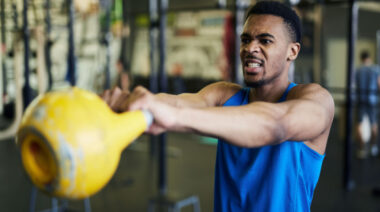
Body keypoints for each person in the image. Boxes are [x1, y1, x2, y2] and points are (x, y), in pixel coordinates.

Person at [102, 1, 334, 211]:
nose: (250, 48)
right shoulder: (224, 94)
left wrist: (174, 116)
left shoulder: (314, 100)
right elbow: (179, 102)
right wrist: (125, 101)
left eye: (265, 40)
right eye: (246, 39)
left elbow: (277, 125)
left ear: (292, 51)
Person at [355, 50, 380, 159]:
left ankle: (362, 149)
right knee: (373, 123)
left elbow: (355, 85)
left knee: (359, 124)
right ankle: (373, 147)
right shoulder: (376, 69)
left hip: (361, 99)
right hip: (372, 99)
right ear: (369, 58)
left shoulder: (358, 70)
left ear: (361, 58)